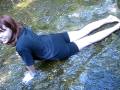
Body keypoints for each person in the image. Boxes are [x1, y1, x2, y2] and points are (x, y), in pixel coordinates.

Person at [0, 15, 120, 84]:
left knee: (89, 40)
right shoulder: (20, 28)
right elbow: (29, 43)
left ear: (11, 27)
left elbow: (32, 69)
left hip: (58, 51)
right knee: (82, 31)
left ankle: (116, 26)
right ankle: (108, 19)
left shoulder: (21, 47)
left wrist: (30, 76)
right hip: (54, 38)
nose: (0, 36)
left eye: (2, 31)